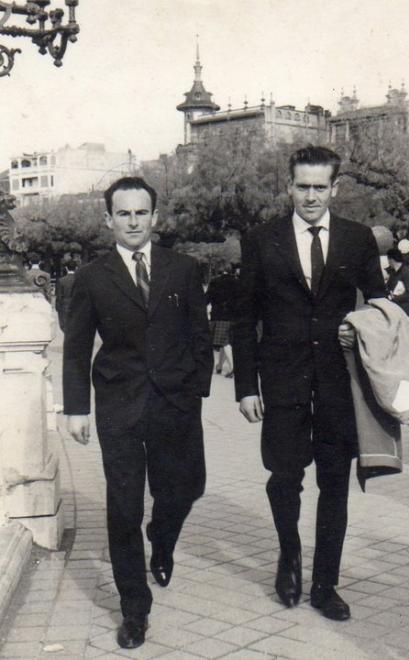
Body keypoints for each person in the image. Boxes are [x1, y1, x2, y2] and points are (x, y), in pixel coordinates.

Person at [233, 146, 386, 620]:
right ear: (289, 187)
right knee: (284, 476)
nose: (311, 196)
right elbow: (244, 318)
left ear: (335, 188)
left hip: (340, 382)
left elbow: (380, 306)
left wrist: (360, 327)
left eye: (320, 187)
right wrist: (246, 386)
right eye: (303, 187)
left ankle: (325, 584)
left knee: (335, 482)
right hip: (282, 379)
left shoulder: (358, 239)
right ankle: (289, 555)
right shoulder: (262, 239)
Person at [63, 177, 213, 649]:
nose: (133, 222)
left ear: (155, 217)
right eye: (123, 213)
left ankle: (162, 540)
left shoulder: (183, 268)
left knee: (187, 487)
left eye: (141, 213)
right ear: (108, 219)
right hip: (119, 406)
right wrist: (76, 409)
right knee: (124, 506)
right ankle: (134, 609)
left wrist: (196, 390)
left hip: (175, 404)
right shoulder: (91, 277)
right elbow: (76, 347)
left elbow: (200, 334)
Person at [205, 267, 237, 377]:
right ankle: (219, 366)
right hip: (234, 317)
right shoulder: (237, 282)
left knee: (224, 342)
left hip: (219, 316)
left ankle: (233, 367)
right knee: (226, 341)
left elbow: (207, 298)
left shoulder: (215, 282)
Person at [386, 248, 409, 317]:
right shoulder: (393, 273)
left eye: (388, 259)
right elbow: (388, 287)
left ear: (392, 260)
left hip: (405, 309)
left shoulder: (406, 273)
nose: (388, 262)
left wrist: (394, 298)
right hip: (396, 306)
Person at [55, 259, 78, 332]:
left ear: (66, 268)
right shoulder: (80, 280)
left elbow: (59, 296)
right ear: (76, 268)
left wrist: (58, 308)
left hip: (65, 306)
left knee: (65, 328)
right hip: (77, 305)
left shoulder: (61, 280)